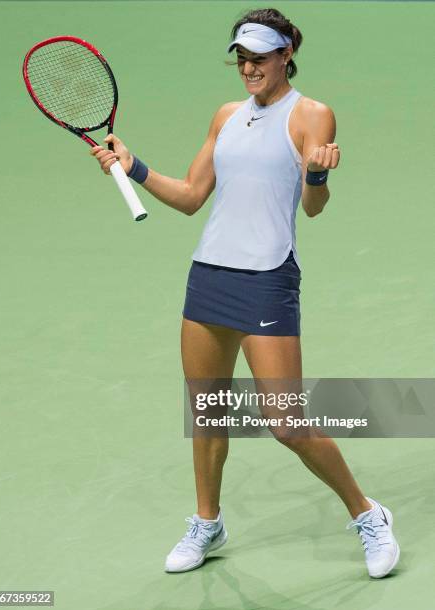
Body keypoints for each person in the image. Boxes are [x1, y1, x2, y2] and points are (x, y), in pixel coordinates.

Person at [90, 8, 400, 579]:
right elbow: (188, 196)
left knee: (286, 422)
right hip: (210, 274)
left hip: (267, 277)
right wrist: (133, 168)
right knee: (208, 412)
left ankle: (367, 512)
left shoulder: (312, 115)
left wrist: (319, 176)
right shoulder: (226, 115)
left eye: (260, 56)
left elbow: (313, 207)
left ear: (287, 55)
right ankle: (207, 522)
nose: (248, 66)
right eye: (242, 56)